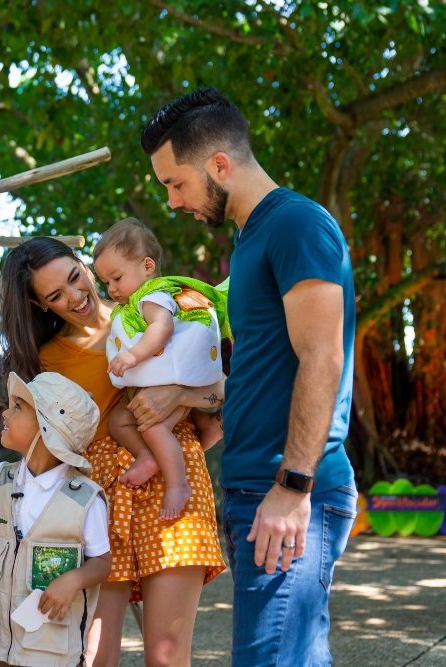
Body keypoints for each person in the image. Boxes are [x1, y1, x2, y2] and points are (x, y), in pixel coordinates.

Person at [141, 87, 357, 666]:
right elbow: (265, 373)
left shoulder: (295, 225)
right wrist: (186, 396)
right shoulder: (250, 240)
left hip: (286, 489)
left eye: (174, 183)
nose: (172, 201)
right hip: (252, 486)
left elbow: (323, 359)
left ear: (219, 165)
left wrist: (291, 488)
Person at [0, 238, 226, 667]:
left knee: (166, 656)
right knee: (91, 656)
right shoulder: (44, 361)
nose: (76, 296)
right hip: (98, 495)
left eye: (74, 277)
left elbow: (217, 391)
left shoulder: (150, 311)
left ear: (84, 264)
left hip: (174, 483)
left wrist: (178, 393)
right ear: (39, 304)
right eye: (55, 295)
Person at [0, 372, 112, 667]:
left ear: (46, 428)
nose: (5, 412)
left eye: (18, 407)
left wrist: (73, 579)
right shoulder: (0, 479)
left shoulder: (85, 499)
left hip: (52, 651)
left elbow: (102, 562)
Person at [93, 217, 229, 521]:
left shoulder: (153, 296)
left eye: (116, 278)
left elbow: (162, 328)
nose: (112, 288)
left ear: (148, 266)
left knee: (154, 426)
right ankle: (148, 456)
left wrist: (132, 356)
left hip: (179, 383)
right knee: (119, 421)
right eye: (105, 282)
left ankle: (177, 485)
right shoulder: (131, 305)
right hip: (156, 390)